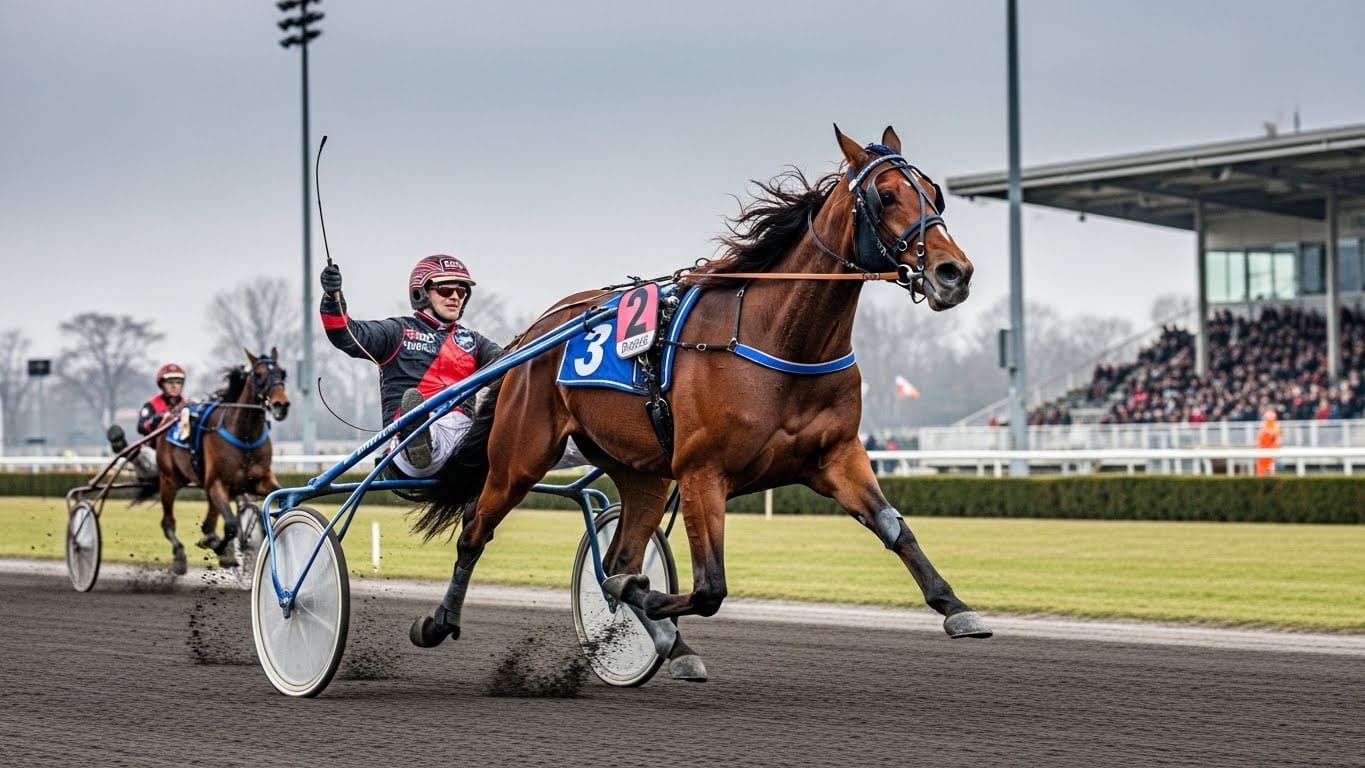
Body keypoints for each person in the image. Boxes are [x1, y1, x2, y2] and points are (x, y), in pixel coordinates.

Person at [319, 254, 503, 477]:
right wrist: (333, 297)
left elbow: (509, 367)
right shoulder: (397, 331)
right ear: (421, 293)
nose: (455, 297)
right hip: (410, 446)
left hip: (465, 443)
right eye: (446, 290)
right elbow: (346, 335)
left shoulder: (474, 342)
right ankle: (417, 438)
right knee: (419, 415)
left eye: (462, 292)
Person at [107, 362, 189, 482]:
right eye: (170, 382)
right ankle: (123, 448)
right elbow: (141, 427)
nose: (174, 386)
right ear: (162, 385)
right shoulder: (152, 405)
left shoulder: (189, 405)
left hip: (181, 453)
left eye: (178, 383)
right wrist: (156, 420)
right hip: (154, 453)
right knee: (141, 453)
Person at [1255, 407, 1281, 477]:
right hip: (1264, 451)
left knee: (1269, 468)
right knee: (1264, 469)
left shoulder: (1273, 427)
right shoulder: (1266, 427)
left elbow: (1276, 438)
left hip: (1268, 451)